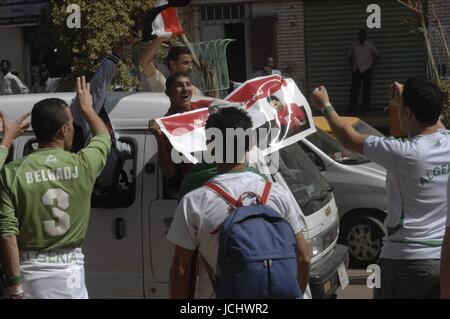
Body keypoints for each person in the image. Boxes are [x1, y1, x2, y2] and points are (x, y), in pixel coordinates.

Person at [311, 78, 448, 299]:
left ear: (409, 113)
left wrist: (324, 105)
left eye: (401, 108)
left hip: (404, 260)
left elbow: (347, 137)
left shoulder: (403, 152)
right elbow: (431, 124)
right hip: (442, 257)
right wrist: (408, 101)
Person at [167, 106, 311, 299]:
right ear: (250, 143)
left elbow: (180, 271)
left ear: (211, 145)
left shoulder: (194, 202)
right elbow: (303, 257)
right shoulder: (277, 193)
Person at [0, 77, 111, 299]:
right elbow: (103, 137)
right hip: (71, 276)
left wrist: (7, 138)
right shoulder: (83, 165)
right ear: (62, 130)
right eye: (71, 125)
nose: (72, 130)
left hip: (29, 277)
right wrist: (87, 109)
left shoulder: (12, 172)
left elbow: (7, 235)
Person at [148, 72, 209, 198]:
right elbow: (169, 172)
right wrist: (158, 137)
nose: (186, 89)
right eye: (179, 85)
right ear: (168, 93)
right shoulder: (166, 127)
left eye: (188, 84)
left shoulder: (204, 108)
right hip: (196, 189)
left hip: (219, 179)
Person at [347, 28, 380, 115]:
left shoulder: (370, 45)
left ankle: (365, 110)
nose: (361, 37)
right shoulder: (354, 45)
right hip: (357, 70)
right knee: (354, 90)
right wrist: (352, 67)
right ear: (358, 36)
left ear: (365, 36)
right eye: (360, 35)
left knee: (367, 91)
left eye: (363, 35)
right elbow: (349, 57)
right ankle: (351, 110)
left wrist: (372, 65)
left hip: (366, 69)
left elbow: (377, 54)